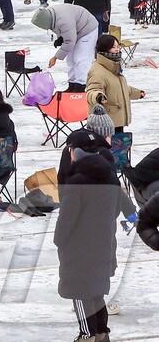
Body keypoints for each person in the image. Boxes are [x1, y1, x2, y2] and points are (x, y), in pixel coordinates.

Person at [55, 130, 122, 342]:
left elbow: (66, 218)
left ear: (77, 152)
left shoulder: (77, 182)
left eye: (70, 150)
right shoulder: (110, 176)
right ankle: (101, 332)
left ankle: (87, 335)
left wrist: (60, 241)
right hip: (104, 242)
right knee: (96, 291)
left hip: (79, 247)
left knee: (80, 292)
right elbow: (117, 208)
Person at [31, 3, 100, 92]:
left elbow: (70, 41)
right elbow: (64, 30)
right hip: (75, 30)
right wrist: (61, 38)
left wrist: (55, 57)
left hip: (87, 29)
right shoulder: (51, 15)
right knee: (70, 59)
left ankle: (81, 86)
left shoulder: (63, 20)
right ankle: (72, 84)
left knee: (81, 59)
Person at [86, 33, 145, 134]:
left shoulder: (113, 66)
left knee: (119, 143)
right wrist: (98, 97)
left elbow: (119, 88)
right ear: (104, 49)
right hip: (104, 123)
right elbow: (92, 91)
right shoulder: (97, 71)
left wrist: (137, 93)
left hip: (117, 119)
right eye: (113, 47)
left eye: (118, 46)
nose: (117, 50)